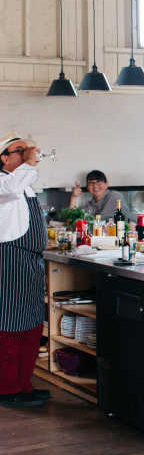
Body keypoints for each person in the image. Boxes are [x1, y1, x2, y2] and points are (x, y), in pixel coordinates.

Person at [0, 133, 50, 407]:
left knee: (31, 325)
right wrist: (29, 162)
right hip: (8, 259)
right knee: (9, 326)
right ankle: (7, 389)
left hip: (30, 261)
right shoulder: (4, 181)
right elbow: (11, 187)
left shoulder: (25, 183)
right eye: (17, 150)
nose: (25, 152)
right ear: (4, 158)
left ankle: (23, 384)